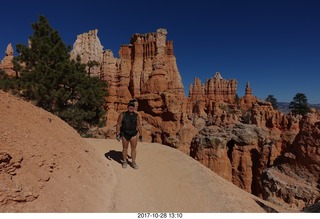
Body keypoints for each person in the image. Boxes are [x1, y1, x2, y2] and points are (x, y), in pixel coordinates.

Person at [116, 100, 143, 169]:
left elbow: (139, 125)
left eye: (132, 107)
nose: (131, 109)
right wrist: (117, 133)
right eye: (130, 107)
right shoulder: (123, 114)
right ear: (128, 107)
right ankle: (125, 161)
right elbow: (118, 124)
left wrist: (141, 135)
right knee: (125, 148)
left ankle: (133, 162)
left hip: (133, 134)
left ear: (134, 108)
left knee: (133, 149)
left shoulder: (136, 115)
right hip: (125, 134)